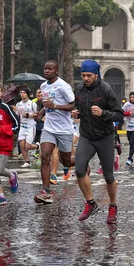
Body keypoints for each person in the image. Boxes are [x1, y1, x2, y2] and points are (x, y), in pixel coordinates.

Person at [71, 60, 124, 223]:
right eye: (83, 75)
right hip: (86, 136)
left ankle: (113, 206)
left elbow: (119, 115)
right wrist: (76, 113)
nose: (86, 78)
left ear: (96, 75)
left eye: (89, 75)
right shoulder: (79, 89)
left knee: (108, 176)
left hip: (105, 137)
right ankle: (91, 203)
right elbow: (79, 108)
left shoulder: (106, 89)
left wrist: (103, 113)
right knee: (79, 170)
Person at [34, 61, 76, 204]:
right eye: (45, 68)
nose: (46, 71)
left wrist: (56, 106)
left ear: (57, 71)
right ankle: (45, 191)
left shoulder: (64, 86)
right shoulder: (44, 86)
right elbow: (48, 104)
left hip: (64, 129)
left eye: (50, 69)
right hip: (49, 128)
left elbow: (73, 105)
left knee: (66, 161)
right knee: (45, 155)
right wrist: (40, 112)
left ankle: (83, 162)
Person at [16, 88, 40, 168]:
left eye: (24, 93)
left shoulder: (32, 104)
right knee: (21, 144)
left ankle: (37, 146)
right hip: (22, 127)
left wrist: (29, 115)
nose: (22, 94)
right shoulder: (18, 104)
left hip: (30, 126)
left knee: (28, 146)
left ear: (28, 94)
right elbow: (17, 115)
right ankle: (27, 161)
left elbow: (37, 114)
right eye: (21, 93)